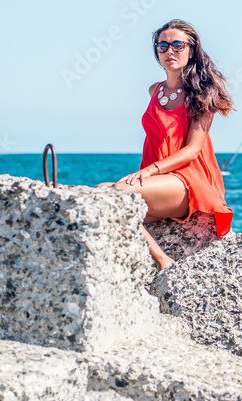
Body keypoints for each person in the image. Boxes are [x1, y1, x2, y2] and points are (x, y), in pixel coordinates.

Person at [95, 19, 234, 271]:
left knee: (121, 192)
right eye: (163, 46)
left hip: (190, 182)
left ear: (192, 50)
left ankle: (162, 261)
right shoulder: (154, 91)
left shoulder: (203, 92)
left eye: (178, 45)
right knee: (100, 194)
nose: (170, 51)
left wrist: (150, 170)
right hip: (162, 184)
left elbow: (192, 149)